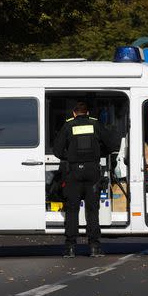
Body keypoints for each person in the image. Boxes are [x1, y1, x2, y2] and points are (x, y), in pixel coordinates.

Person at [53, 102, 121, 258]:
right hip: (93, 172)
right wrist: (97, 153)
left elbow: (57, 150)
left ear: (74, 113)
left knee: (71, 210)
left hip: (74, 172)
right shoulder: (95, 124)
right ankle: (94, 247)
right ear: (88, 112)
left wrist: (70, 157)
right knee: (92, 210)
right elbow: (111, 145)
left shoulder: (68, 126)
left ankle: (70, 248)